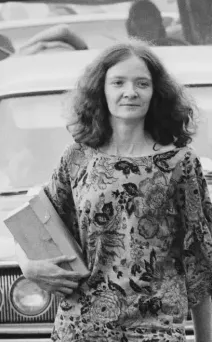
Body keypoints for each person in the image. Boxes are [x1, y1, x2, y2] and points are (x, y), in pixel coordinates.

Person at [16, 41, 212, 342]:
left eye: (141, 83)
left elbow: (200, 264)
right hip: (79, 330)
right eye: (118, 82)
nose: (130, 92)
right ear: (101, 90)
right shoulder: (78, 157)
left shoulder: (180, 163)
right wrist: (28, 267)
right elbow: (33, 222)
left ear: (155, 92)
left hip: (154, 332)